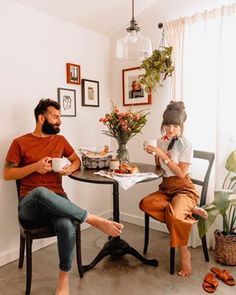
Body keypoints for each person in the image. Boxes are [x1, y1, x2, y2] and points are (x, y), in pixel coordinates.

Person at [3, 98, 123, 295]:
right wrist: (35, 167)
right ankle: (91, 219)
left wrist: (69, 169)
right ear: (42, 118)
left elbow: (76, 160)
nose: (60, 121)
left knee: (67, 226)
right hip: (30, 204)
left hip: (58, 200)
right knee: (41, 192)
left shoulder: (60, 140)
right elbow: (7, 174)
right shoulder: (20, 142)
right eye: (55, 117)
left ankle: (63, 281)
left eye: (60, 117)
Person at [139, 101, 207, 277]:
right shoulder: (162, 141)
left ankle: (184, 253)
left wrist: (164, 157)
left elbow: (182, 174)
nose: (171, 129)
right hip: (166, 188)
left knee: (176, 216)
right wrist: (154, 155)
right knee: (145, 203)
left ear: (181, 126)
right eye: (168, 124)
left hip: (183, 188)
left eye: (175, 125)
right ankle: (189, 209)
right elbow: (161, 168)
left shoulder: (187, 143)